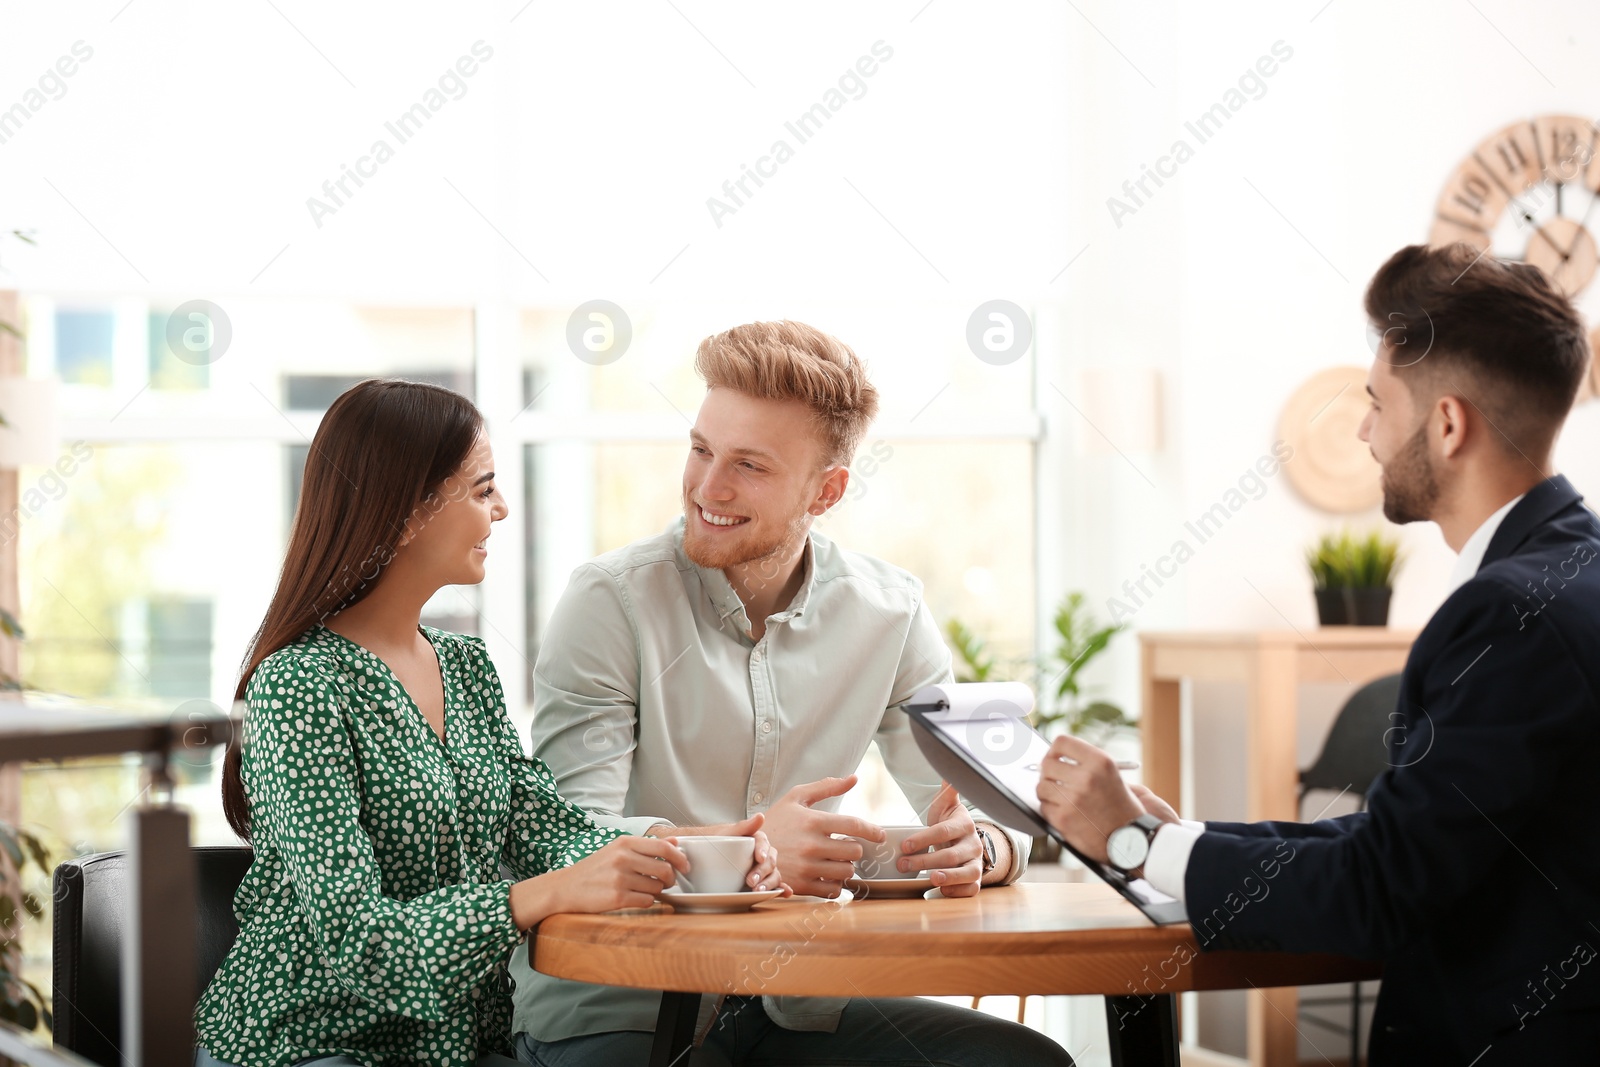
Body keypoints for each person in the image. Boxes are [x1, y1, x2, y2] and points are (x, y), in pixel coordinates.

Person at [1036, 243, 1600, 1065]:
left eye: (1378, 402)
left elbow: (1381, 889)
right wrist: (1171, 835)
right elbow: (1406, 840)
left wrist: (1134, 846)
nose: (1367, 429)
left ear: (1447, 424)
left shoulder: (1508, 612)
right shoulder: (1570, 572)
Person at [510, 322, 1072, 1065]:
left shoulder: (891, 611)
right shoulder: (610, 603)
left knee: (1024, 1062)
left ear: (827, 489)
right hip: (621, 1005)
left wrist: (982, 846)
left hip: (795, 1003)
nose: (708, 487)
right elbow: (571, 835)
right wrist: (752, 850)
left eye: (750, 465)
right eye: (702, 449)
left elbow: (997, 809)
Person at [194, 380, 780, 1067]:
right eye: (482, 489)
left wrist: (694, 850)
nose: (502, 509)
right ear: (409, 511)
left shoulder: (466, 668)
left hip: (450, 1049)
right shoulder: (298, 686)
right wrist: (537, 896)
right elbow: (361, 944)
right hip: (306, 1046)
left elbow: (546, 830)